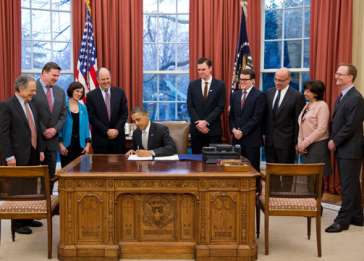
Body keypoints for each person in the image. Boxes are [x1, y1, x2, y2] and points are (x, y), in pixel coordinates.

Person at [0, 75, 45, 234]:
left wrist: (39, 150)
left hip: (32, 153)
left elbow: (36, 129)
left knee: (31, 187)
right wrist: (9, 156)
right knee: (18, 189)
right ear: (20, 89)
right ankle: (17, 224)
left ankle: (27, 217)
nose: (34, 93)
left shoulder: (31, 104)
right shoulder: (6, 106)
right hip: (16, 156)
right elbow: (3, 134)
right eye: (31, 90)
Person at [325, 64, 364, 233]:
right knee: (353, 183)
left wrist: (335, 140)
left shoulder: (355, 98)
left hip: (351, 148)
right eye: (336, 73)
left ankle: (343, 221)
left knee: (347, 186)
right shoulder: (342, 96)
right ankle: (357, 216)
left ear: (350, 77)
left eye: (340, 74)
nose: (336, 77)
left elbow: (351, 125)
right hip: (345, 147)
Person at [264, 68, 305, 190]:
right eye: (276, 79)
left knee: (287, 172)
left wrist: (297, 142)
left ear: (289, 80)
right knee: (272, 172)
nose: (277, 82)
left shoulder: (297, 96)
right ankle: (274, 196)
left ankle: (286, 196)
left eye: (281, 80)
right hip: (270, 141)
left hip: (287, 142)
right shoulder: (269, 93)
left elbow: (298, 122)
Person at [32, 62, 66, 192]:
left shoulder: (60, 92)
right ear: (44, 73)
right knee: (35, 177)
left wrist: (55, 129)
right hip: (35, 141)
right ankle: (35, 207)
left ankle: (48, 206)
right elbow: (31, 113)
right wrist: (43, 130)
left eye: (58, 76)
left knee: (51, 175)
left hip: (52, 142)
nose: (56, 78)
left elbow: (63, 115)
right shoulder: (31, 88)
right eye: (54, 75)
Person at [229, 69, 265, 173]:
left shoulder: (259, 95)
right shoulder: (235, 95)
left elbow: (256, 118)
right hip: (236, 139)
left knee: (252, 169)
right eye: (241, 79)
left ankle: (256, 189)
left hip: (251, 140)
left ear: (253, 81)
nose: (242, 82)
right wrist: (233, 129)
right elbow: (231, 116)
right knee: (237, 168)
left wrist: (242, 131)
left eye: (245, 79)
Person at [187, 57, 226, 154]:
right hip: (196, 131)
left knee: (213, 164)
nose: (200, 72)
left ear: (210, 68)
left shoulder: (220, 85)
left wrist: (206, 122)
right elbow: (190, 106)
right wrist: (199, 124)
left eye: (203, 69)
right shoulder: (192, 85)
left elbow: (220, 107)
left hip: (213, 130)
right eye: (199, 69)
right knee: (196, 163)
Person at [86, 67, 128, 154]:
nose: (106, 81)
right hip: (100, 139)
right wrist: (106, 131)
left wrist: (116, 130)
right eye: (103, 79)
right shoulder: (91, 96)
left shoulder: (120, 92)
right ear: (97, 80)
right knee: (101, 167)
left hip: (118, 139)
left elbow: (124, 114)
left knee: (119, 166)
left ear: (110, 77)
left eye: (107, 78)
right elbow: (92, 117)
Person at [297, 80, 331, 178]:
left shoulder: (322, 106)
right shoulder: (307, 105)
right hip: (306, 146)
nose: (304, 93)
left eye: (308, 91)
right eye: (305, 90)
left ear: (316, 93)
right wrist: (300, 143)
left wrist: (304, 143)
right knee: (308, 178)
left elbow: (321, 129)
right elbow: (301, 125)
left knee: (315, 179)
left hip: (317, 146)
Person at [58, 82, 91, 167]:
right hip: (66, 146)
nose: (79, 94)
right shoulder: (63, 106)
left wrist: (87, 145)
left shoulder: (83, 108)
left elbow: (86, 129)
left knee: (82, 173)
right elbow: (59, 128)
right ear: (71, 91)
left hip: (81, 146)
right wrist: (60, 145)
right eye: (77, 91)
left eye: (81, 92)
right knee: (66, 174)